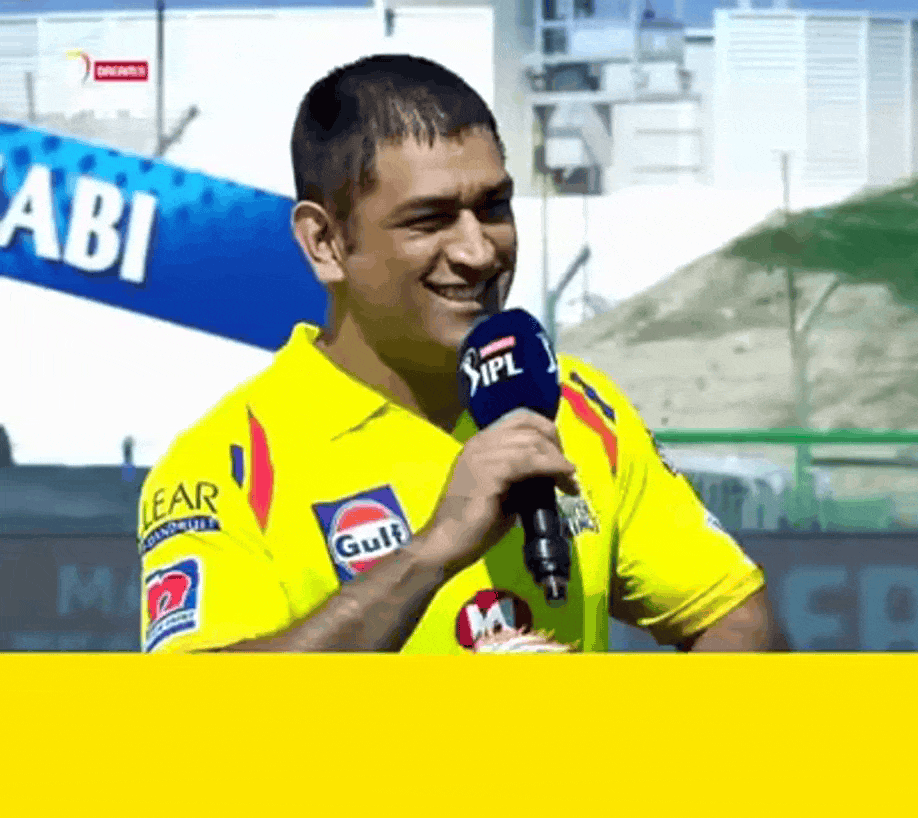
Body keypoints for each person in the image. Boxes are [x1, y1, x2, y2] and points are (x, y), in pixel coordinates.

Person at [136, 54, 786, 654]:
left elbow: (736, 616)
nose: (478, 251)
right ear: (325, 243)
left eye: (493, 207)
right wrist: (431, 552)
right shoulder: (227, 462)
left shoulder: (577, 402)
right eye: (428, 219)